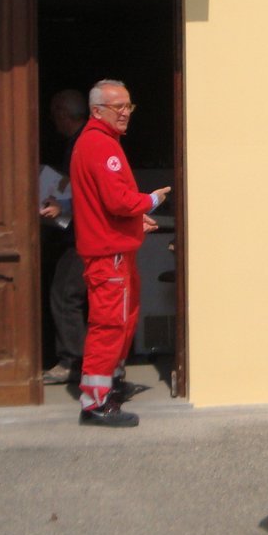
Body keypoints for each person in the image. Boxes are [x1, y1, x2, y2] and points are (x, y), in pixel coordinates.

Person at [69, 79, 170, 428]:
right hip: (108, 254)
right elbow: (119, 200)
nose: (126, 112)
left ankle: (108, 387)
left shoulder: (97, 142)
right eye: (118, 107)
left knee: (120, 322)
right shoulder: (101, 145)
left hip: (113, 249)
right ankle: (95, 402)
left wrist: (133, 222)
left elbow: (104, 206)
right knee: (110, 326)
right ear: (97, 111)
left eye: (129, 106)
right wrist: (151, 201)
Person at [40, 89, 89, 387]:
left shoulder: (83, 143)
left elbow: (90, 192)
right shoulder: (79, 141)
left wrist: (64, 206)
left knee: (64, 295)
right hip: (80, 233)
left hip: (84, 236)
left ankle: (74, 361)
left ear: (62, 113)